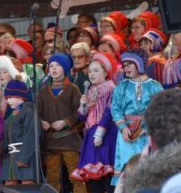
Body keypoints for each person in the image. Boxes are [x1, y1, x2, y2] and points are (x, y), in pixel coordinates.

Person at [111, 49, 164, 186]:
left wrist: (148, 128)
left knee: (147, 166)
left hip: (147, 135)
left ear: (139, 64)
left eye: (130, 64)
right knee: (128, 167)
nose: (125, 68)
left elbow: (159, 109)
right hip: (127, 135)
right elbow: (115, 108)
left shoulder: (154, 86)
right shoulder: (121, 86)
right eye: (124, 65)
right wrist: (123, 128)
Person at [37, 53, 87, 193]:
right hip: (50, 142)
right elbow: (37, 113)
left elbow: (79, 112)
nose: (54, 68)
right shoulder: (42, 92)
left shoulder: (72, 89)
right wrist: (41, 122)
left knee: (76, 177)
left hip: (69, 140)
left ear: (65, 68)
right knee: (52, 178)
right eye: (51, 65)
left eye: (58, 65)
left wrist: (65, 121)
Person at [70, 52, 118, 193]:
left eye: (96, 70)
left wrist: (100, 131)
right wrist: (84, 106)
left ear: (105, 72)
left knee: (106, 172)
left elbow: (110, 113)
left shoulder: (111, 89)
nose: (91, 74)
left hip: (107, 133)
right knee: (92, 177)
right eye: (90, 71)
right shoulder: (90, 91)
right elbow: (82, 118)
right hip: (91, 134)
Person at [1, 80, 38, 185]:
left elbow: (31, 135)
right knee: (10, 186)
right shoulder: (11, 116)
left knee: (27, 185)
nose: (8, 101)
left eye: (10, 97)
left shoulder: (29, 111)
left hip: (25, 158)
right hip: (11, 158)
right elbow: (8, 137)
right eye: (7, 98)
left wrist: (23, 158)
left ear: (20, 96)